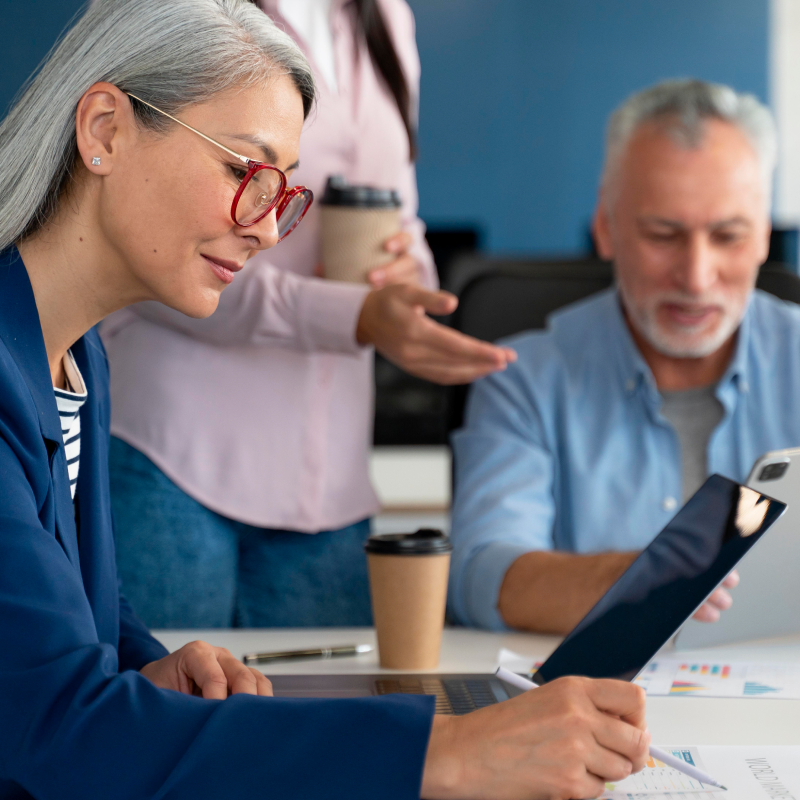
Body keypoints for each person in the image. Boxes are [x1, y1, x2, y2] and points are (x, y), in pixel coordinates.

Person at [0, 1, 649, 797]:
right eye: (244, 172)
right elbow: (64, 730)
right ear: (103, 130)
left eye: (283, 193)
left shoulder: (78, 360)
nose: (270, 233)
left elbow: (62, 644)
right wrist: (444, 754)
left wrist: (144, 666)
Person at [99, 0, 515, 629]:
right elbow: (159, 244)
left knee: (322, 720)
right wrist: (355, 318)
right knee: (169, 716)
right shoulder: (188, 11)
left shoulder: (387, 19)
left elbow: (399, 214)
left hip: (332, 488)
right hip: (175, 463)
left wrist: (409, 282)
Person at [449, 79, 800, 635]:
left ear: (763, 238)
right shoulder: (523, 379)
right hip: (593, 708)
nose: (696, 276)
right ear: (606, 228)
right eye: (664, 234)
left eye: (729, 236)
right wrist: (640, 579)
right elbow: (480, 579)